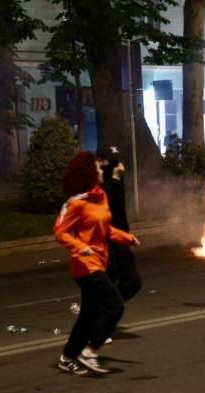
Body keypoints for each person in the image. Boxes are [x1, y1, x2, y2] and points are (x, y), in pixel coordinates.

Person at [54, 151, 139, 375]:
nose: (102, 171)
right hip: (85, 266)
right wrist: (80, 247)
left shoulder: (100, 197)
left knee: (88, 315)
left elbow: (105, 228)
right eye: (98, 169)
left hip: (100, 261)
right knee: (114, 306)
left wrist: (126, 238)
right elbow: (60, 232)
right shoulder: (77, 203)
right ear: (89, 174)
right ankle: (90, 352)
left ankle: (67, 357)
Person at [96, 145, 143, 333]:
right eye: (111, 162)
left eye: (117, 162)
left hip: (121, 240)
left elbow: (120, 211)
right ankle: (98, 323)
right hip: (105, 242)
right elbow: (111, 205)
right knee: (108, 283)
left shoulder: (115, 180)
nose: (116, 166)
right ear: (100, 161)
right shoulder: (98, 182)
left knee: (133, 282)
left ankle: (102, 313)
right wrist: (114, 178)